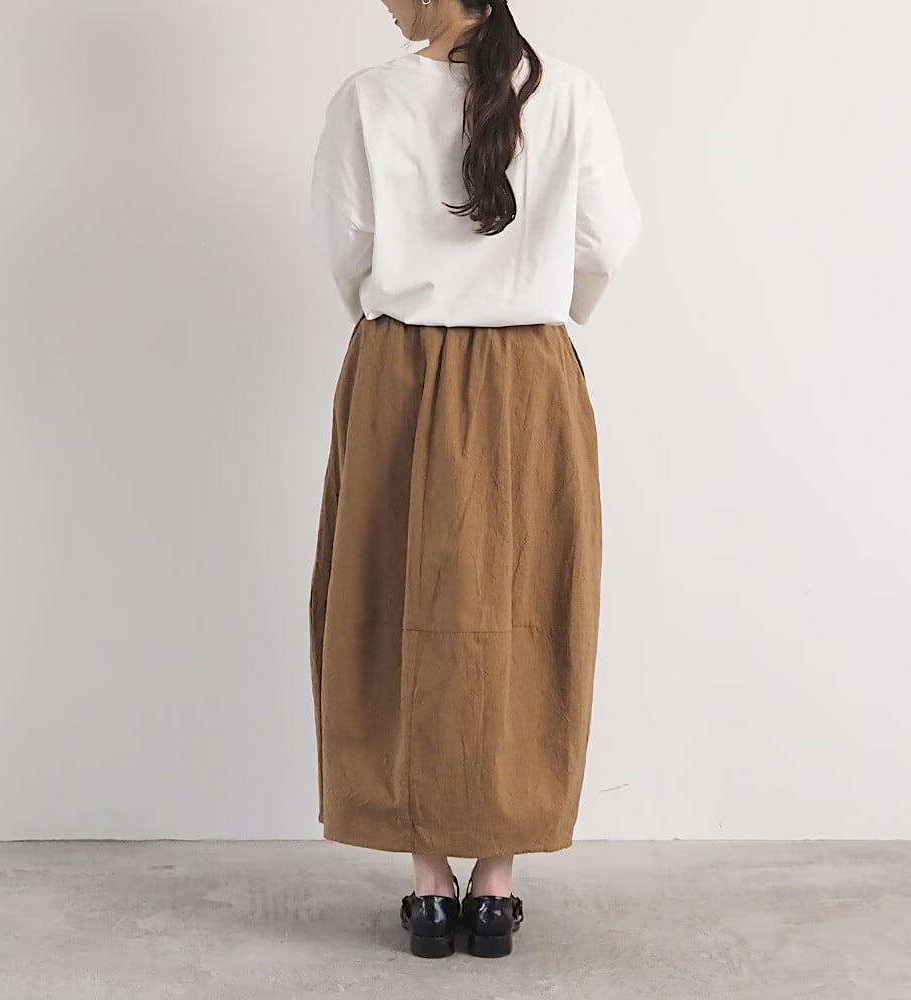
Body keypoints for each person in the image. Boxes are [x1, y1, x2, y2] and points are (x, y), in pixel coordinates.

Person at [308, 0, 640, 959]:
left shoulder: (368, 98)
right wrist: (531, 297)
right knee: (526, 607)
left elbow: (347, 246)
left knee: (388, 601)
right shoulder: (570, 93)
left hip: (399, 373)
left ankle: (428, 884)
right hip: (528, 374)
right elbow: (606, 243)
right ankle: (495, 886)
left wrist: (410, 303)